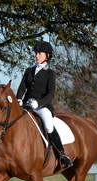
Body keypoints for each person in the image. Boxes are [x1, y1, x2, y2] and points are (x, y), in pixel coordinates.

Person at [16, 40, 73, 169]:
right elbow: (21, 88)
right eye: (36, 53)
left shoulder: (50, 73)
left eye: (39, 53)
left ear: (47, 56)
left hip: (42, 107)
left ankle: (62, 155)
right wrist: (18, 99)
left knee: (48, 124)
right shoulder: (29, 71)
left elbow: (50, 94)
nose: (36, 56)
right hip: (26, 105)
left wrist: (38, 103)